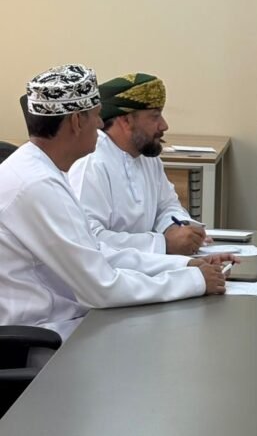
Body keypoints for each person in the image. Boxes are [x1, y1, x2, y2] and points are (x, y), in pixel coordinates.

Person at [0, 64, 231, 343]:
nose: (101, 125)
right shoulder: (37, 185)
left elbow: (97, 252)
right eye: (97, 116)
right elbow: (101, 287)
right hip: (43, 338)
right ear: (76, 121)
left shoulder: (39, 170)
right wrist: (194, 281)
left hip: (70, 321)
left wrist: (184, 266)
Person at [68, 73, 207, 255]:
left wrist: (178, 229)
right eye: (155, 117)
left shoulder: (146, 154)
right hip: (111, 270)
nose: (164, 126)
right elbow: (89, 239)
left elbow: (167, 206)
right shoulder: (91, 163)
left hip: (148, 265)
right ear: (126, 121)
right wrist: (163, 244)